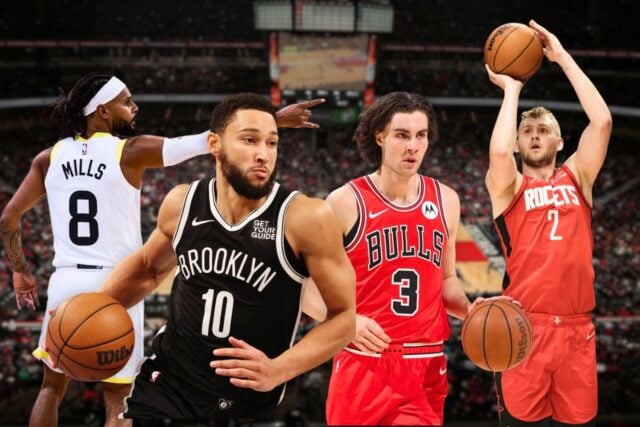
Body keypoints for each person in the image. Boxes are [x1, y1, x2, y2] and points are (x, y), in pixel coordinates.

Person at [0, 72, 324, 427]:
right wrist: (277, 120)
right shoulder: (131, 151)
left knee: (51, 388)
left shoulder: (48, 158)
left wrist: (20, 270)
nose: (134, 106)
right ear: (103, 112)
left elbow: (8, 218)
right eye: (125, 101)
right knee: (120, 400)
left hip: (66, 283)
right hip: (119, 284)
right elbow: (207, 141)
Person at [97, 92, 356, 421]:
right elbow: (148, 270)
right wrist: (89, 310)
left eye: (272, 143)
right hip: (168, 380)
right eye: (250, 140)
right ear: (214, 145)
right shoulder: (182, 202)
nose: (263, 154)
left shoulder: (306, 217)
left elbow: (344, 317)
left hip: (244, 398)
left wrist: (279, 369)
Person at [303, 91, 486, 425]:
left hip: (425, 366)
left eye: (421, 135)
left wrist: (472, 311)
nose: (413, 146)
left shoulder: (446, 200)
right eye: (402, 135)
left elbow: (446, 281)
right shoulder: (345, 202)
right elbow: (305, 288)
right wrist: (348, 322)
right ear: (380, 137)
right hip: (362, 362)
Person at [484, 20, 612, 426]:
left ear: (560, 143)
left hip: (577, 330)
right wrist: (513, 90)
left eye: (544, 131)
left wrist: (562, 59)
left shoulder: (579, 177)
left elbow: (602, 122)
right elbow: (499, 153)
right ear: (519, 142)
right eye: (527, 131)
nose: (535, 135)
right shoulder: (509, 188)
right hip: (524, 327)